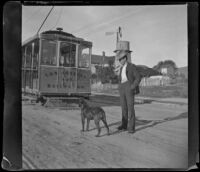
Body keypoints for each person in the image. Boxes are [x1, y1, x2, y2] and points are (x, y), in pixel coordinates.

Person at [115, 44, 141, 133]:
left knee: (130, 108)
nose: (119, 61)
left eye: (120, 59)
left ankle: (131, 128)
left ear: (125, 58)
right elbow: (120, 79)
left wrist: (132, 86)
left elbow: (138, 77)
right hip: (122, 88)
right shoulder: (121, 68)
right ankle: (124, 125)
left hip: (128, 87)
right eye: (119, 60)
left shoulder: (131, 66)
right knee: (123, 108)